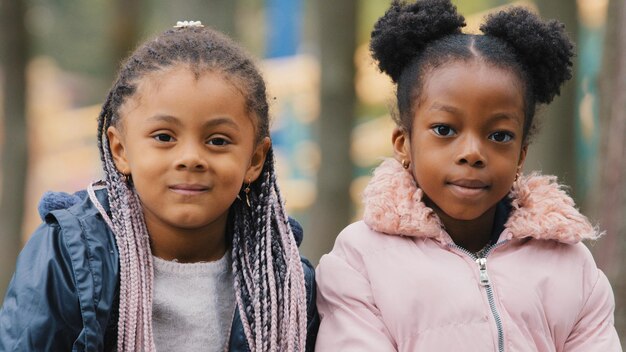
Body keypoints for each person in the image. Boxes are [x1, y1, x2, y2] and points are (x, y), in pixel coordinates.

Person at [315, 0, 621, 350]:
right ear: (403, 144)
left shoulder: (571, 265)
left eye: (500, 136)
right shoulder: (360, 259)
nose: (473, 153)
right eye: (445, 129)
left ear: (521, 155)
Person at [0, 21, 318, 352]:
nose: (191, 158)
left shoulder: (286, 284)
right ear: (120, 150)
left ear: (254, 159)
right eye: (164, 137)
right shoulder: (72, 254)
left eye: (218, 140)